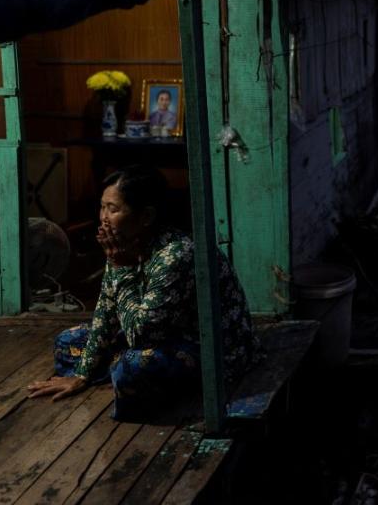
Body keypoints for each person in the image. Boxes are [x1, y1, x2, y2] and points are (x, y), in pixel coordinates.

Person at [27, 165, 260, 420]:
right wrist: (82, 374)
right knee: (67, 342)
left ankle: (128, 380)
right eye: (102, 207)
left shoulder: (176, 254)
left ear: (146, 216)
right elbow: (106, 310)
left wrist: (120, 269)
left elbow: (142, 334)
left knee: (132, 366)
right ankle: (115, 377)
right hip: (155, 335)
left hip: (207, 349)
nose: (103, 217)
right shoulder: (123, 244)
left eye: (113, 209)